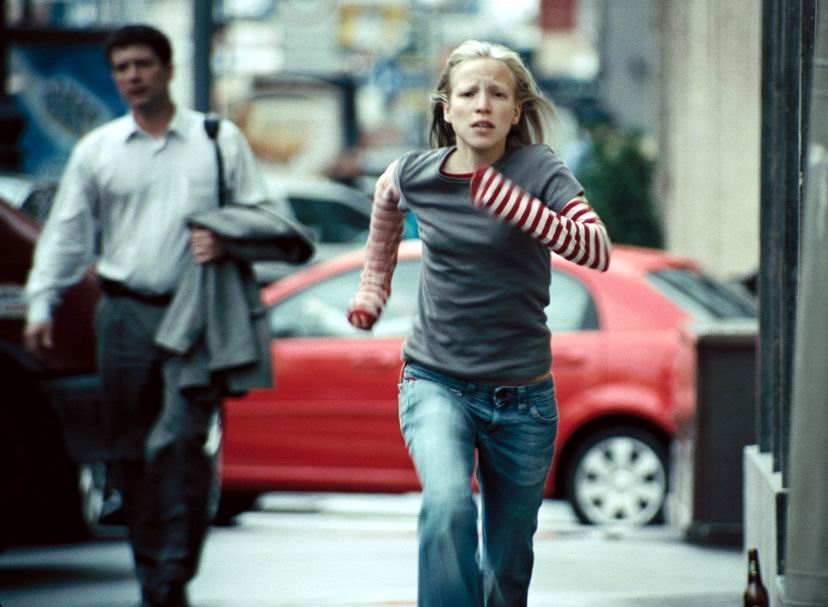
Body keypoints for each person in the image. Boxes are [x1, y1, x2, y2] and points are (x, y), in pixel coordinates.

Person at [22, 24, 311, 607]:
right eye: (122, 67)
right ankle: (154, 576)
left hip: (197, 314)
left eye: (143, 64)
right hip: (123, 315)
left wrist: (227, 239)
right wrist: (41, 304)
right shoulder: (98, 149)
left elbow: (267, 218)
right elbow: (67, 234)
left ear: (168, 69)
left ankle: (172, 576)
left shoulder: (215, 139)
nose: (133, 76)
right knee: (129, 453)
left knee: (177, 445)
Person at [347, 39, 612, 607]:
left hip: (524, 399)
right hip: (436, 382)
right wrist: (373, 287)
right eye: (469, 93)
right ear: (447, 109)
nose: (483, 104)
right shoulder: (417, 173)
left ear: (516, 112)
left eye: (498, 94)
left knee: (508, 566)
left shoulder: (539, 169)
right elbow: (386, 200)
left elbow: (596, 248)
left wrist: (519, 206)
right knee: (447, 505)